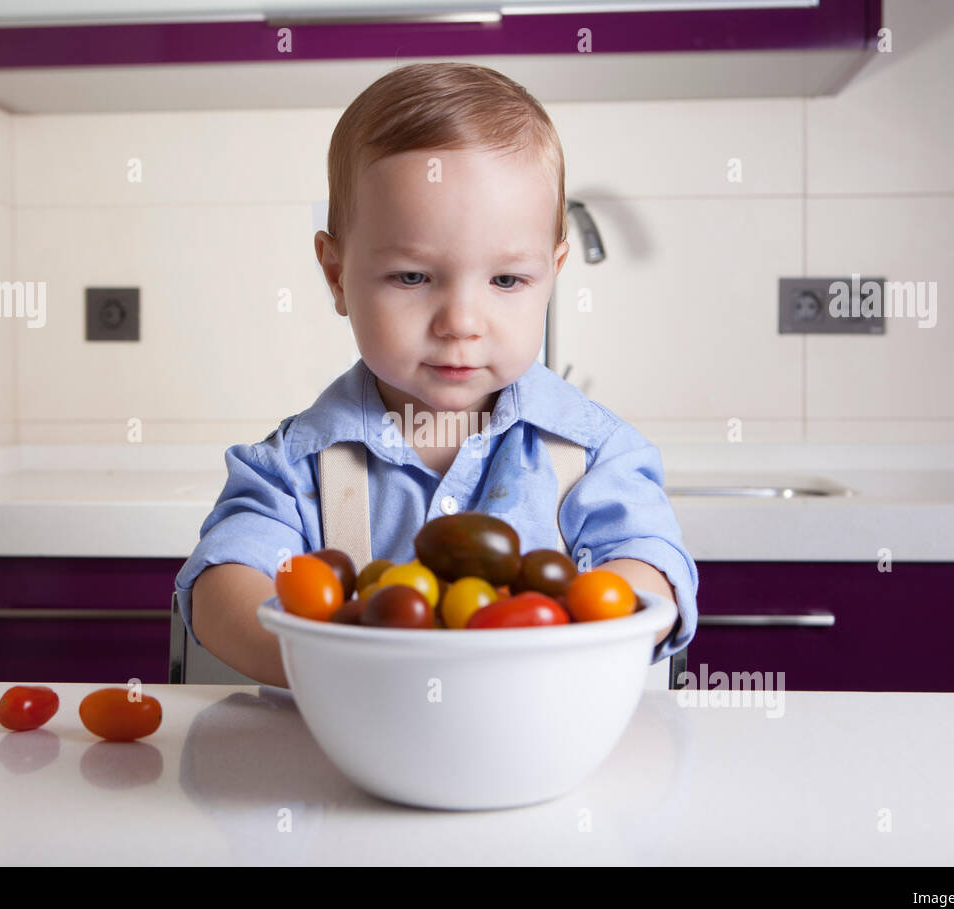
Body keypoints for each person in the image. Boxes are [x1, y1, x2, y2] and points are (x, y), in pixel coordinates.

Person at [176, 63, 698, 688]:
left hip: (544, 757)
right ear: (337, 276)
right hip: (348, 764)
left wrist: (562, 637)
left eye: (506, 280)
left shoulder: (593, 455)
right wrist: (330, 668)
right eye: (413, 277)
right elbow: (220, 583)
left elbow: (651, 566)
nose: (461, 322)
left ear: (553, 275)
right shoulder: (298, 465)